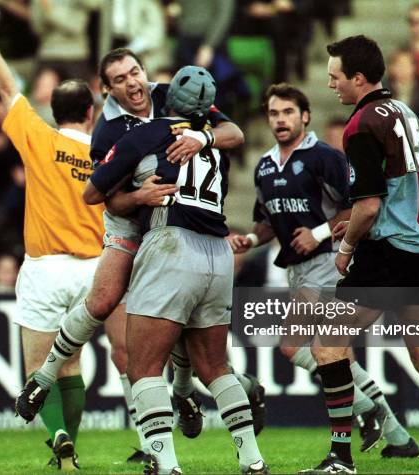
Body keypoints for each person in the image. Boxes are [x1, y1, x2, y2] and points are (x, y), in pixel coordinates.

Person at [15, 47, 265, 463]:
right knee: (103, 300)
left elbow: (232, 131)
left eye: (135, 72)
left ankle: (178, 408)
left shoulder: (173, 95)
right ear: (106, 89)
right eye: (120, 79)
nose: (132, 83)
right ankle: (44, 377)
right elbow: (106, 200)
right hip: (138, 220)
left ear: (145, 72)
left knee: (147, 348)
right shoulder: (111, 127)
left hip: (171, 231)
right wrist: (140, 194)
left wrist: (201, 137)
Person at [302, 34, 419, 474]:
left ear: (358, 79)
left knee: (327, 342)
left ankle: (341, 457)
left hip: (386, 251)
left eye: (335, 77)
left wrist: (347, 245)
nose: (331, 86)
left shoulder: (361, 125)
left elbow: (370, 203)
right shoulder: (407, 113)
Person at [85, 65, 268, 475]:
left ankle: (166, 466)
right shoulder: (213, 143)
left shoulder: (143, 135)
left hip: (171, 244)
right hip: (218, 255)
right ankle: (253, 461)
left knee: (144, 367)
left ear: (166, 100)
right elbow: (233, 132)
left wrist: (134, 192)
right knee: (216, 367)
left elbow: (92, 193)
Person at [228, 83, 419, 458]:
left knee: (293, 346)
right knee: (339, 355)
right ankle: (399, 438)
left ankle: (367, 411)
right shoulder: (266, 165)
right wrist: (250, 240)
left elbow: (361, 206)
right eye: (273, 113)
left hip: (329, 263)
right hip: (298, 270)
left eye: (287, 112)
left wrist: (317, 233)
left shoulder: (324, 157)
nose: (280, 120)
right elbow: (267, 221)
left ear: (305, 116)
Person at [0, 0, 104, 469]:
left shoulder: (39, 139)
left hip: (46, 268)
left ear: (53, 108)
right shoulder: (108, 155)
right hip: (93, 272)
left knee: (37, 369)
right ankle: (71, 449)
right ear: (91, 111)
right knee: (72, 365)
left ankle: (58, 436)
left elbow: (6, 86)